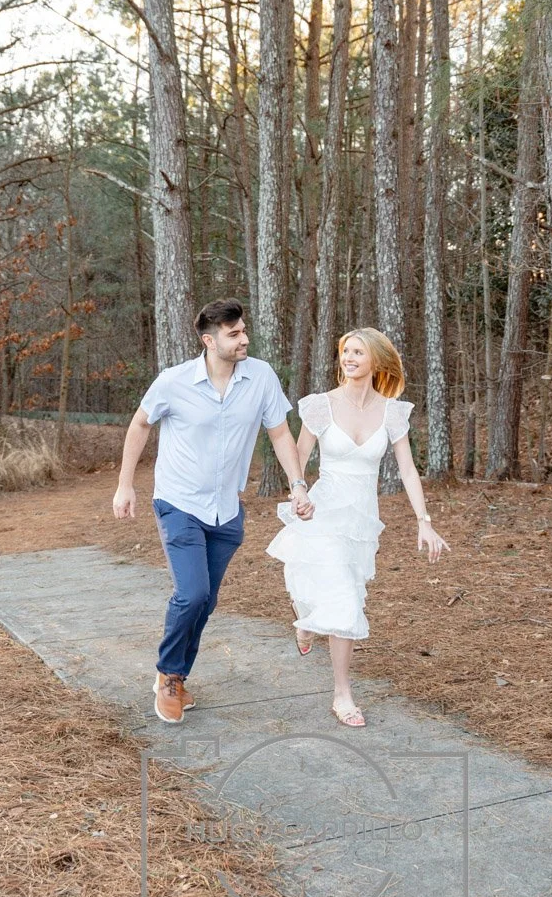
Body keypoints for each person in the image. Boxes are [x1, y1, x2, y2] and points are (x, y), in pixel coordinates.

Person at [113, 299, 314, 724]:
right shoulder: (174, 381)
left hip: (226, 509)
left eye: (243, 330)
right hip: (178, 502)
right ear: (209, 341)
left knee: (206, 600)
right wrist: (125, 484)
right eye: (234, 334)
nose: (244, 339)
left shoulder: (259, 377)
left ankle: (177, 677)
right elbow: (140, 424)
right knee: (193, 594)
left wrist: (298, 484)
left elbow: (279, 433)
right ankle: (169, 675)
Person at [267, 327, 449, 728]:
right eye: (345, 350)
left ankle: (306, 621)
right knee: (345, 598)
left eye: (358, 352)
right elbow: (298, 454)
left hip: (362, 519)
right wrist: (299, 493)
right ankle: (342, 693)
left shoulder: (393, 412)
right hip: (324, 508)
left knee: (345, 592)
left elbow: (407, 469)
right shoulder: (320, 406)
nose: (348, 358)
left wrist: (425, 522)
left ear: (377, 361)